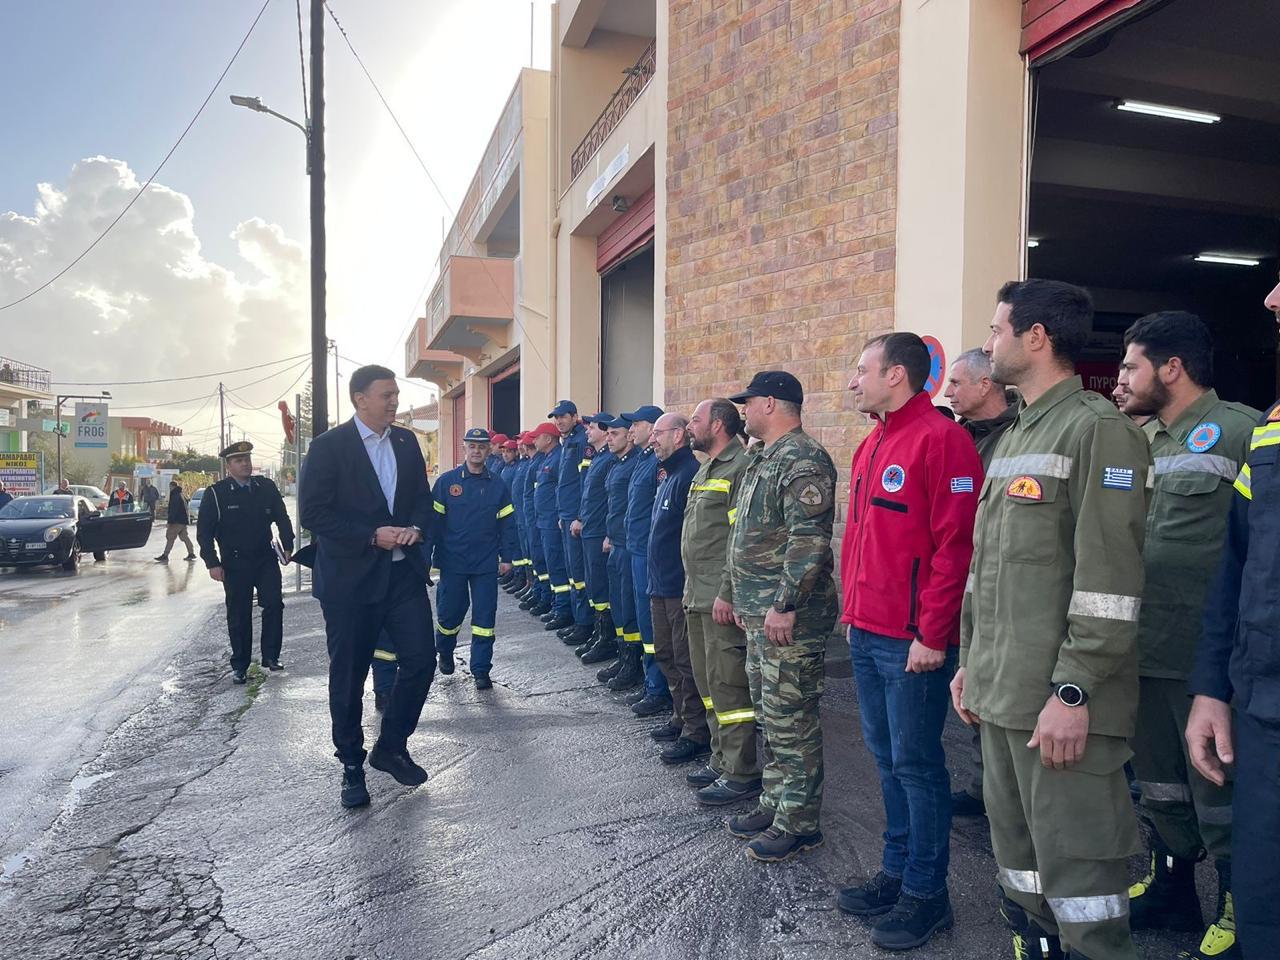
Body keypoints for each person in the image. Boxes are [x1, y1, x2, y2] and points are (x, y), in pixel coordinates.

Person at [953, 280, 1151, 960]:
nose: (988, 343)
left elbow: (1109, 584)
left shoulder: (1098, 430)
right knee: (1024, 874)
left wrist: (1074, 691)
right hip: (1003, 695)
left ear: (1036, 337)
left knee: (1082, 885)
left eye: (997, 329)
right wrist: (970, 663)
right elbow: (990, 570)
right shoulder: (1015, 435)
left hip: (1059, 707)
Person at [1113, 312, 1256, 959]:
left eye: (1132, 366)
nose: (1121, 379)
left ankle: (1239, 906)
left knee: (1218, 788)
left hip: (1206, 659)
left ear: (1172, 368)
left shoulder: (1242, 430)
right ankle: (1173, 888)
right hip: (1143, 647)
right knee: (1160, 784)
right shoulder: (1141, 441)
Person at [838, 334, 982, 949]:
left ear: (895, 375)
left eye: (862, 370)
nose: (854, 382)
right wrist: (852, 611)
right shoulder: (871, 442)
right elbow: (861, 539)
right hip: (867, 631)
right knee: (886, 759)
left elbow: (956, 547)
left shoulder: (942, 440)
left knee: (917, 767)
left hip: (911, 642)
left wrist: (933, 632)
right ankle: (895, 873)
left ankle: (927, 893)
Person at [1187, 276, 1280, 960]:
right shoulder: (1272, 427)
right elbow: (1237, 566)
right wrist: (1213, 688)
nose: (1272, 298)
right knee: (1262, 905)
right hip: (1263, 715)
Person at [298, 364, 437, 810]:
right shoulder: (329, 447)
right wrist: (371, 535)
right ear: (360, 399)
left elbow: (422, 499)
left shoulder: (406, 442)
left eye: (395, 394)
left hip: (402, 576)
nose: (394, 401)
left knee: (422, 660)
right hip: (350, 582)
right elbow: (314, 514)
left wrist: (416, 527)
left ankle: (390, 746)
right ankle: (351, 765)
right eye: (386, 395)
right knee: (349, 676)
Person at [721, 370, 838, 864]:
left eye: (748, 403)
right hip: (759, 613)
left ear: (770, 403)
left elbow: (808, 541)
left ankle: (799, 823)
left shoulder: (802, 458)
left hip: (788, 618)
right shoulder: (763, 457)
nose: (743, 411)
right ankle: (776, 802)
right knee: (770, 717)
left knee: (793, 721)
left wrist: (784, 605)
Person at [944, 347, 1017, 818]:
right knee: (971, 685)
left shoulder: (1017, 435)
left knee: (999, 687)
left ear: (985, 385)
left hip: (1000, 580)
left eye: (956, 383)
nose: (947, 392)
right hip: (961, 578)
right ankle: (983, 785)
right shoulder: (957, 437)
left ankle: (1004, 796)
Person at [681, 398, 762, 806]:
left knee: (729, 686)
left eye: (695, 420)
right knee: (709, 684)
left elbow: (739, 540)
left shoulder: (738, 468)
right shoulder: (706, 468)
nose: (689, 426)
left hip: (718, 598)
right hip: (696, 595)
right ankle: (721, 758)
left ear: (717, 425)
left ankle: (741, 770)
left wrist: (728, 593)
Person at [196, 441, 295, 683]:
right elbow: (204, 533)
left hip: (265, 559)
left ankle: (271, 656)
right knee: (239, 614)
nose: (245, 464)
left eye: (247, 459)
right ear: (228, 466)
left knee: (274, 605)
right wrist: (212, 563)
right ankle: (240, 665)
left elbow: (282, 517)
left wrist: (288, 544)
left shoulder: (265, 487)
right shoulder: (217, 493)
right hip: (235, 563)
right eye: (239, 460)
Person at [430, 428, 518, 690]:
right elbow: (433, 524)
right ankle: (445, 650)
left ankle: (481, 670)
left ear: (489, 450)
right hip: (453, 561)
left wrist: (507, 557)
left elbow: (507, 525)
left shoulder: (498, 485)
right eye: (472, 446)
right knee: (450, 613)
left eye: (481, 446)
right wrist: (425, 559)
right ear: (464, 448)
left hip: (485, 562)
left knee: (484, 618)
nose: (476, 451)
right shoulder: (446, 483)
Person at [645, 412, 709, 764]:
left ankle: (696, 732)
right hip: (660, 585)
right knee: (666, 655)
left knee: (686, 662)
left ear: (679, 436)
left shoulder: (689, 474)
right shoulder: (669, 475)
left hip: (679, 588)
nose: (653, 439)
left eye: (658, 433)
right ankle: (681, 716)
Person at [621, 405, 674, 717]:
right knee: (641, 618)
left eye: (636, 424)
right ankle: (649, 680)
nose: (632, 430)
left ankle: (658, 687)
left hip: (647, 550)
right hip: (635, 546)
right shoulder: (643, 459)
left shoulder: (658, 463)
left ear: (653, 427)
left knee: (651, 622)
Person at [599, 417, 643, 689]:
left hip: (629, 544)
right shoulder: (617, 464)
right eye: (608, 434)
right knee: (617, 602)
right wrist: (610, 534)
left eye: (615, 433)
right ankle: (622, 653)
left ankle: (633, 663)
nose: (609, 438)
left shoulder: (636, 463)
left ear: (629, 437)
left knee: (629, 606)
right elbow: (614, 506)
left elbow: (633, 507)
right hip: (616, 541)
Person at [573, 414, 618, 663]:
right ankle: (599, 632)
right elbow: (588, 495)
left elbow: (610, 500)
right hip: (590, 529)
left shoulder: (609, 459)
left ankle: (606, 639)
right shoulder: (598, 457)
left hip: (600, 531)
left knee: (601, 586)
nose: (587, 431)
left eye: (591, 427)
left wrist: (608, 533)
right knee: (592, 584)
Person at [551, 401, 594, 645]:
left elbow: (584, 482)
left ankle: (585, 624)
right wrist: (563, 514)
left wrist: (579, 516)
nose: (559, 421)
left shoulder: (581, 442)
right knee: (572, 572)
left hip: (576, 518)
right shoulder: (568, 442)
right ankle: (578, 620)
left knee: (579, 573)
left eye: (563, 417)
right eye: (556, 418)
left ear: (575, 416)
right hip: (566, 515)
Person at [531, 421, 570, 629]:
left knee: (557, 565)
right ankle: (556, 605)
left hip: (553, 522)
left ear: (548, 438)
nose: (534, 441)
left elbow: (561, 490)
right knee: (550, 565)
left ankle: (563, 610)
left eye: (538, 437)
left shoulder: (558, 457)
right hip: (543, 520)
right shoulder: (547, 458)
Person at [155, 480, 197, 562]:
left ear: (172, 486)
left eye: (170, 487)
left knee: (170, 537)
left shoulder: (175, 495)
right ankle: (191, 553)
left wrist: (170, 522)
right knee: (185, 537)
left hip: (176, 521)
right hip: (183, 520)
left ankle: (165, 555)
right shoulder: (181, 494)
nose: (169, 488)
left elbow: (173, 509)